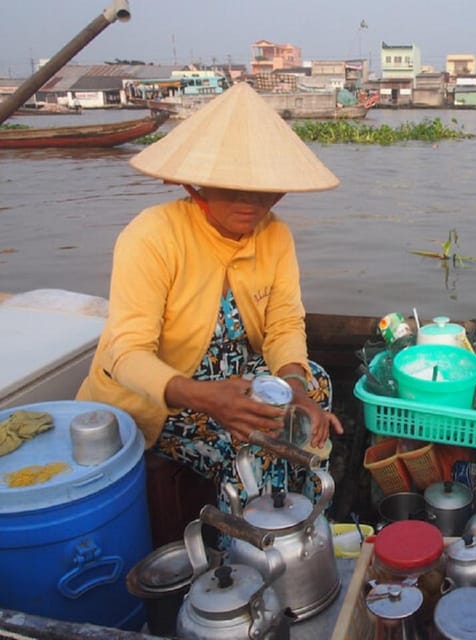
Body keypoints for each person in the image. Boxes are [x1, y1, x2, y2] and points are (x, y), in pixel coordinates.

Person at [76, 82, 344, 516]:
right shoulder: (152, 235)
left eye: (264, 189)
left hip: (234, 377)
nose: (251, 201)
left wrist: (295, 387)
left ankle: (305, 520)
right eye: (231, 185)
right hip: (162, 395)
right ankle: (251, 553)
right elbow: (125, 353)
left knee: (316, 384)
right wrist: (205, 398)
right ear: (194, 185)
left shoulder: (275, 235)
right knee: (256, 446)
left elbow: (284, 324)